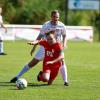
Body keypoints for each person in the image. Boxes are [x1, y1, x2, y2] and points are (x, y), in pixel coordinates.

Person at [10, 10, 69, 86]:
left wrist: (64, 43)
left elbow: (64, 35)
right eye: (54, 17)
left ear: (59, 17)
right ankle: (17, 76)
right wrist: (34, 48)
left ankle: (66, 81)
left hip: (56, 48)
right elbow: (39, 37)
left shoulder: (62, 26)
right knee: (33, 62)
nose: (56, 18)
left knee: (62, 61)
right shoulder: (46, 25)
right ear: (51, 17)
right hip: (45, 47)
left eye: (57, 17)